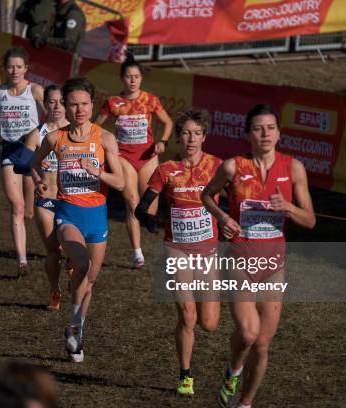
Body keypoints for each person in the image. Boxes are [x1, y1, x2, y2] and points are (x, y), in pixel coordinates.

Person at [201, 104, 315, 408]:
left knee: (262, 345)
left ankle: (245, 403)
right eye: (258, 128)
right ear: (247, 134)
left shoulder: (293, 168)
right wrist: (223, 218)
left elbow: (310, 220)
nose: (265, 133)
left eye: (270, 128)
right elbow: (205, 196)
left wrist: (288, 207)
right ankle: (234, 369)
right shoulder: (233, 167)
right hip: (239, 261)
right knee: (249, 333)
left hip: (273, 267)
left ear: (279, 134)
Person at [31, 77, 124, 362]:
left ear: (91, 105)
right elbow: (34, 163)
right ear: (65, 108)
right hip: (68, 213)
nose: (80, 109)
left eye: (84, 104)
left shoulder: (105, 138)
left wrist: (98, 173)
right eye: (73, 104)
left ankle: (76, 330)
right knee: (80, 264)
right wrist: (38, 182)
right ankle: (73, 322)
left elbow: (119, 182)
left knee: (90, 279)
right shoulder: (54, 138)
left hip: (97, 217)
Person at [136, 107, 221, 396]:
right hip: (177, 251)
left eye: (197, 133)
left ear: (204, 137)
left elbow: (241, 198)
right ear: (179, 137)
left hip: (208, 251)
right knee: (187, 316)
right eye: (185, 132)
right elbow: (141, 205)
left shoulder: (217, 167)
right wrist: (149, 218)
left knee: (209, 323)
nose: (191, 139)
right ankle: (186, 375)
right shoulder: (166, 170)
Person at [95, 57, 173, 268]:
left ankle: (148, 227)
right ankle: (137, 253)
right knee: (132, 202)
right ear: (122, 79)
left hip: (148, 156)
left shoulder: (150, 100)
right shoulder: (112, 102)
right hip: (124, 157)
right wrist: (107, 145)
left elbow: (167, 122)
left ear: (141, 78)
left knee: (150, 210)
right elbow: (95, 126)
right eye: (128, 77)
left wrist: (163, 142)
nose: (132, 80)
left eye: (136, 77)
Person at [0, 46, 45, 276]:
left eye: (19, 66)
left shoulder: (34, 90)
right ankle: (22, 260)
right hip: (9, 151)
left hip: (31, 151)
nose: (14, 70)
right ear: (5, 68)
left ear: (26, 69)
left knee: (32, 211)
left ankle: (55, 248)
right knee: (17, 206)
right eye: (10, 66)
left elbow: (49, 114)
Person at [16, 84, 69, 311]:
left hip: (72, 200)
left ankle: (72, 262)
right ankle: (54, 290)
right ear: (44, 104)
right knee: (53, 250)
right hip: (47, 199)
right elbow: (19, 165)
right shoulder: (37, 135)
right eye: (51, 102)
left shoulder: (79, 132)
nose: (56, 106)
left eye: (61, 102)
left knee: (70, 247)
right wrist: (35, 163)